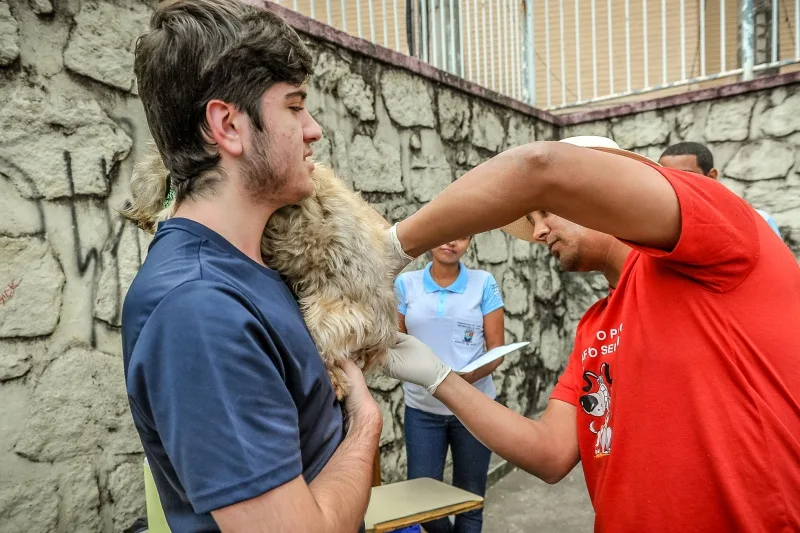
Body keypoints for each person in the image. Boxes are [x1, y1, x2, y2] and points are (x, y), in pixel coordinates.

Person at [383, 136, 800, 532]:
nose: (540, 232)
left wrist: (391, 247)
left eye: (545, 212)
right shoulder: (596, 325)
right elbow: (550, 454)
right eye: (532, 221)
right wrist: (439, 377)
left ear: (603, 193)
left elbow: (538, 166)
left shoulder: (717, 240)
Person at [120, 2, 417, 530]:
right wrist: (365, 424)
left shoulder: (255, 268)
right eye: (295, 107)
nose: (314, 130)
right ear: (228, 125)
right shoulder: (199, 310)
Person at [395, 236, 504, 533]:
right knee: (424, 506)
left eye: (462, 235)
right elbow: (396, 343)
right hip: (422, 409)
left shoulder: (484, 283)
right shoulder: (406, 284)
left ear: (470, 241)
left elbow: (496, 351)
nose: (451, 242)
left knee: (471, 499)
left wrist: (465, 379)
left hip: (474, 408)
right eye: (445, 233)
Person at [659, 141, 783, 239]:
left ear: (711, 176)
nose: (672, 183)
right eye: (663, 176)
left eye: (684, 176)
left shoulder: (759, 221)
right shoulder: (653, 226)